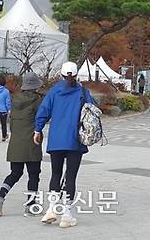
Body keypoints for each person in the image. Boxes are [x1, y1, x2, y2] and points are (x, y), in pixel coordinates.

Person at [34, 61, 95, 228]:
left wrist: (37, 130)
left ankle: (51, 210)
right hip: (75, 140)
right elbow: (94, 109)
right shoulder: (83, 91)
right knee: (70, 177)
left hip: (56, 139)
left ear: (61, 74)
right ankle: (67, 215)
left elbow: (43, 111)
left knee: (55, 174)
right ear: (76, 75)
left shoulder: (54, 91)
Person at [0, 72, 44, 217]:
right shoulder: (38, 101)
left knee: (15, 173)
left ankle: (0, 197)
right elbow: (42, 118)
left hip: (15, 143)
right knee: (33, 175)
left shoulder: (15, 100)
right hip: (32, 142)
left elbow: (12, 125)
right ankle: (31, 205)